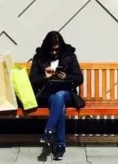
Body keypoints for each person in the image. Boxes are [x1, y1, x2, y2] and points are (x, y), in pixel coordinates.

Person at [29, 30, 85, 161]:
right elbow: (32, 80)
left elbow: (79, 78)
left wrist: (67, 76)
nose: (54, 53)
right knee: (58, 104)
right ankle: (60, 146)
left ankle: (49, 131)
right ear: (46, 47)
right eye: (51, 50)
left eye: (57, 50)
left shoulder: (69, 56)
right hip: (47, 94)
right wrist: (44, 76)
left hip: (67, 93)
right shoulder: (39, 57)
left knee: (59, 96)